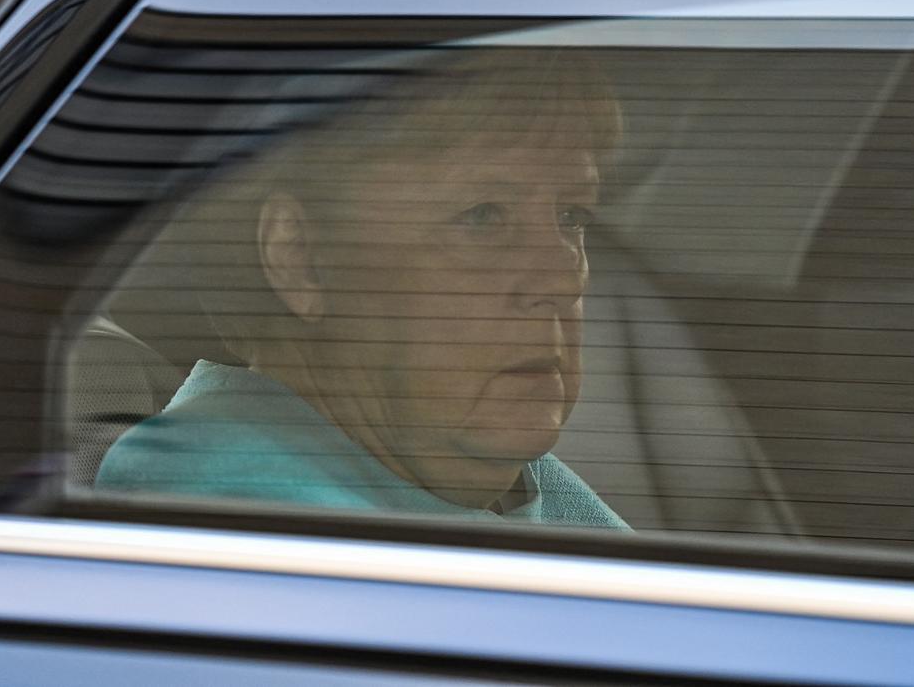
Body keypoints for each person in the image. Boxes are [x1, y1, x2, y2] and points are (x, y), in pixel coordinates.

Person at [96, 48, 628, 528]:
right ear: (300, 259)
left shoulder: (512, 481)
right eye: (482, 217)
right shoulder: (217, 501)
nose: (564, 278)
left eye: (571, 216)